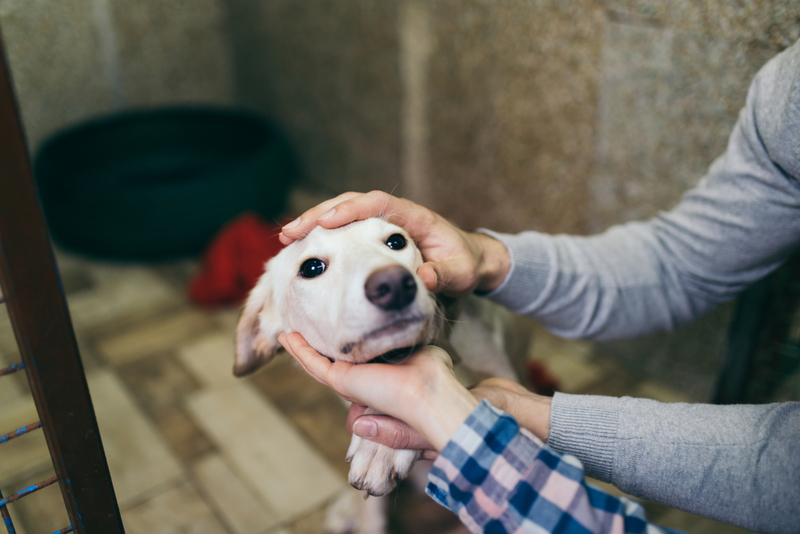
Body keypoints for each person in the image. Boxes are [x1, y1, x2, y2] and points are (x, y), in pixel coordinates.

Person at [278, 37, 800, 534]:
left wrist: (475, 414)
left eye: (394, 244)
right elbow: (679, 264)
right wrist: (486, 257)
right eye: (314, 269)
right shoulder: (787, 94)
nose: (382, 275)